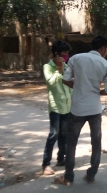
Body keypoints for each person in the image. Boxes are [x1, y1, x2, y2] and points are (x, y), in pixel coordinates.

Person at [53, 35, 107, 185]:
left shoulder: (76, 59)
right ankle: (91, 175)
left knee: (71, 143)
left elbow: (65, 79)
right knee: (96, 143)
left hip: (77, 109)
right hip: (94, 108)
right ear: (103, 48)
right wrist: (95, 91)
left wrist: (80, 87)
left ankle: (68, 177)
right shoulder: (106, 65)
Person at [41, 40, 72, 175]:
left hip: (67, 106)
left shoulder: (66, 66)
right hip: (55, 106)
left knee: (64, 134)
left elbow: (69, 84)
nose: (66, 55)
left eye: (67, 53)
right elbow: (51, 83)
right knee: (54, 134)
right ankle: (46, 163)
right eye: (64, 53)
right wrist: (59, 69)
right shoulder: (48, 67)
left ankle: (61, 158)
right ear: (56, 54)